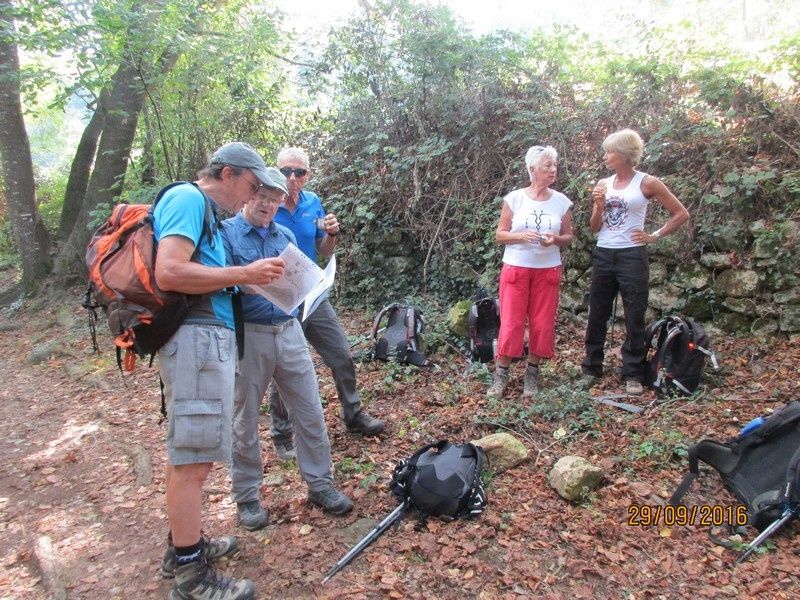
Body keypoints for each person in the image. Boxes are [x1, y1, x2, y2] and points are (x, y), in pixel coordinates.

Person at [154, 142, 286, 600]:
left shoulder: (201, 209)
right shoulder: (190, 199)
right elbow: (169, 271)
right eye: (252, 185)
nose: (252, 196)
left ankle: (182, 547)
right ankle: (192, 575)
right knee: (193, 459)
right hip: (196, 341)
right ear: (228, 174)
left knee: (195, 454)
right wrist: (243, 274)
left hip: (206, 340)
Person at [221, 167, 353, 531]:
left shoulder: (283, 236)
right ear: (250, 195)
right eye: (262, 195)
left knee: (309, 408)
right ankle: (247, 496)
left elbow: (300, 280)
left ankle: (320, 484)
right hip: (249, 334)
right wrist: (249, 280)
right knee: (244, 418)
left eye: (274, 199)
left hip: (289, 329)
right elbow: (218, 284)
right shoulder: (227, 233)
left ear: (281, 202)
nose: (267, 204)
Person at [267, 146, 384, 461]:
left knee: (341, 354)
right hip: (278, 299)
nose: (292, 177)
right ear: (276, 172)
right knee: (285, 368)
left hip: (312, 293)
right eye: (286, 171)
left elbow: (323, 249)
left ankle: (353, 413)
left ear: (307, 175)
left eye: (299, 172)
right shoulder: (266, 202)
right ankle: (282, 433)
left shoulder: (312, 202)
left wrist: (332, 232)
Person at [580, 128, 690, 395]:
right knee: (597, 312)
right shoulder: (603, 184)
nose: (605, 156)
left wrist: (654, 235)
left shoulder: (647, 183)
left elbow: (680, 213)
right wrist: (598, 205)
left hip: (632, 254)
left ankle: (633, 373)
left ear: (625, 155)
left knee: (634, 315)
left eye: (610, 152)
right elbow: (595, 228)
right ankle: (592, 367)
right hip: (605, 252)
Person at [487, 145, 574, 399]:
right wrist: (520, 236)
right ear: (532, 169)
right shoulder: (514, 198)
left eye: (554, 165)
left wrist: (554, 240)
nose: (553, 169)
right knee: (511, 323)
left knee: (542, 323)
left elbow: (568, 236)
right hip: (516, 268)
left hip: (547, 271)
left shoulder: (561, 202)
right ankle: (501, 374)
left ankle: (532, 374)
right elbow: (500, 234)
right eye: (547, 165)